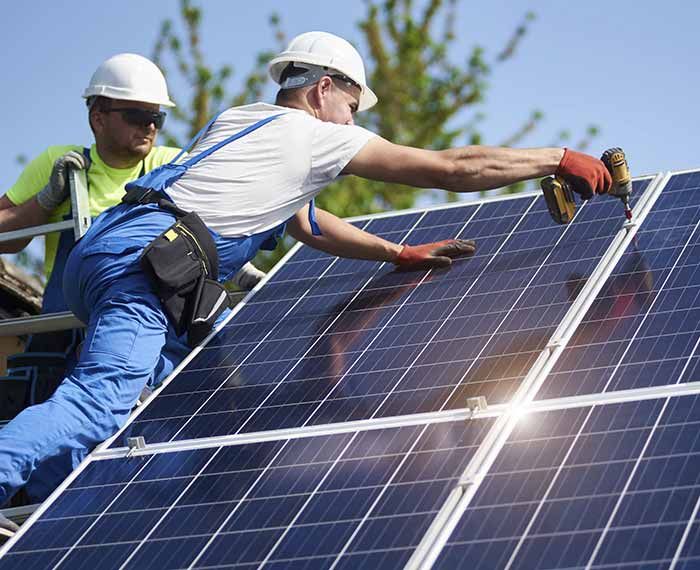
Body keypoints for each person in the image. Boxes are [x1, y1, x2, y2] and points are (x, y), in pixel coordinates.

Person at [0, 31, 612, 529]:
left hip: (109, 250)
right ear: (323, 90)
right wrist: (556, 159)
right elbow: (453, 167)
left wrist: (395, 251)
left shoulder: (239, 120)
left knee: (183, 404)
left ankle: (56, 517)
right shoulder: (315, 137)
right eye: (351, 107)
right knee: (96, 401)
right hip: (144, 268)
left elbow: (308, 223)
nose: (351, 122)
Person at [0, 55, 264, 423]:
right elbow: (5, 237)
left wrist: (243, 267)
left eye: (157, 118)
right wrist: (45, 201)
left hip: (151, 326)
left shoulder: (173, 164)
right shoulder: (58, 162)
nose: (150, 127)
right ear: (99, 117)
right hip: (67, 333)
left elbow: (214, 232)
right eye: (138, 117)